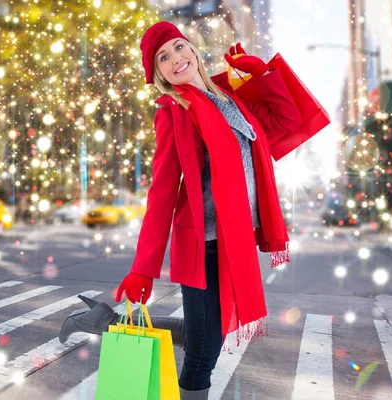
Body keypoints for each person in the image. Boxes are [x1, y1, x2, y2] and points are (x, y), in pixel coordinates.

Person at [60, 21, 301, 399]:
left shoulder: (230, 99)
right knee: (204, 353)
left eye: (178, 47)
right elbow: (162, 194)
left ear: (192, 49)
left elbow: (287, 120)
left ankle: (105, 321)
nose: (175, 58)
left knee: (207, 335)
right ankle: (109, 324)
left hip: (231, 243)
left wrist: (262, 73)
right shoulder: (175, 112)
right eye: (163, 57)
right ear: (158, 74)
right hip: (203, 244)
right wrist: (143, 267)